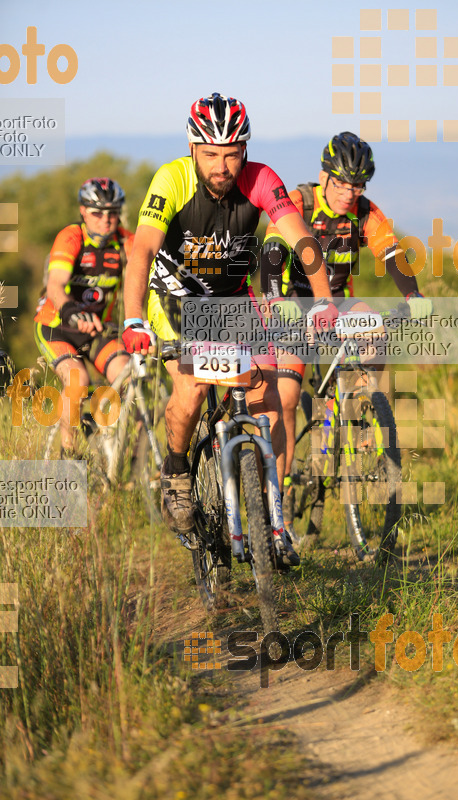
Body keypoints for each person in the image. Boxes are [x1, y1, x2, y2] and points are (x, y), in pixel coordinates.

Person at [121, 92, 337, 568]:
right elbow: (141, 252)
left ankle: (269, 521)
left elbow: (302, 237)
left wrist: (323, 301)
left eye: (232, 153)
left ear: (245, 149)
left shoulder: (261, 179)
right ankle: (177, 471)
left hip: (234, 301)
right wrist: (133, 317)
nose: (222, 165)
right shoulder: (172, 179)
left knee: (272, 404)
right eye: (212, 153)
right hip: (175, 298)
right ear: (194, 147)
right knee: (194, 388)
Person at [260, 131, 433, 537]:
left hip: (335, 302)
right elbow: (270, 254)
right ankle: (279, 503)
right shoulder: (299, 202)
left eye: (357, 185)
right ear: (325, 177)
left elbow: (392, 254)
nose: (349, 193)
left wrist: (413, 293)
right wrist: (274, 299)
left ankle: (361, 399)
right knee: (285, 398)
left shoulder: (366, 213)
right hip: (292, 304)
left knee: (373, 322)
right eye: (342, 183)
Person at [34, 178, 133, 452]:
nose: (105, 220)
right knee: (78, 382)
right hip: (57, 326)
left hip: (98, 329)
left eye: (112, 213)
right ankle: (70, 454)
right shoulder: (71, 236)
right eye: (97, 213)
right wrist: (73, 311)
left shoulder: (126, 242)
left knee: (127, 375)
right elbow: (55, 286)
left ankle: (112, 445)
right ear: (83, 211)